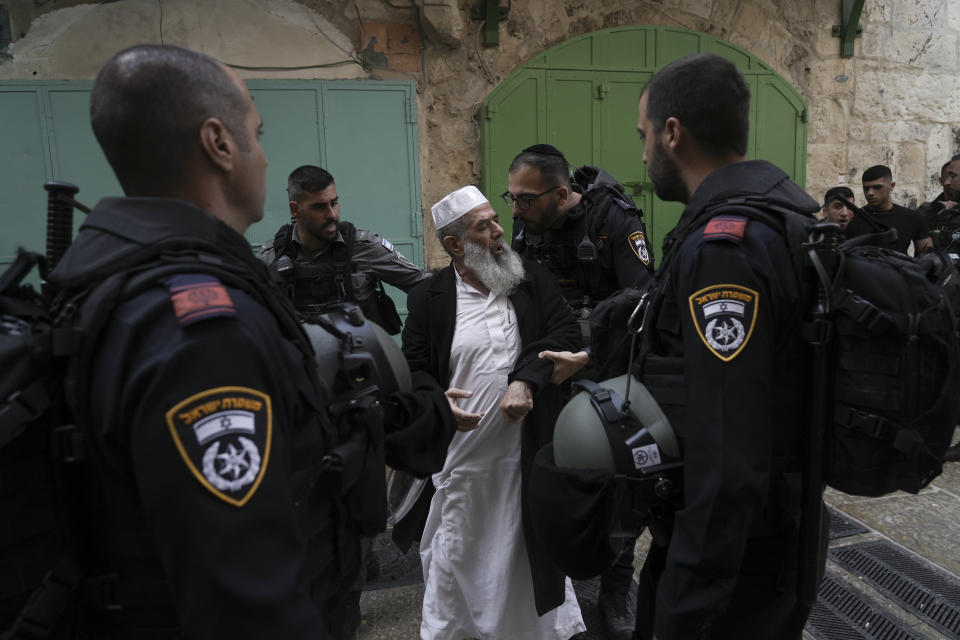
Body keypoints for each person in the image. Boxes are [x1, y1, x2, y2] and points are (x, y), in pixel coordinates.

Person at [46, 44, 455, 638]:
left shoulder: (107, 270)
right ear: (218, 143)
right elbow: (242, 586)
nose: (261, 155)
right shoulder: (202, 325)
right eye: (256, 134)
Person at [631, 53, 826, 639]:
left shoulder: (726, 248)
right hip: (770, 543)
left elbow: (729, 452)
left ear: (672, 133)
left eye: (644, 136)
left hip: (734, 567)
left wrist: (686, 606)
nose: (642, 154)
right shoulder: (782, 215)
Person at [399, 186, 586, 639]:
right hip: (465, 462)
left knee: (527, 553)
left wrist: (525, 379)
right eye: (483, 226)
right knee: (459, 551)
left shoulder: (528, 278)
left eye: (495, 220)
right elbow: (416, 369)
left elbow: (562, 329)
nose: (500, 231)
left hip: (524, 455)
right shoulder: (430, 299)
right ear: (454, 245)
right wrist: (437, 402)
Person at [506, 145, 653, 637]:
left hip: (605, 369)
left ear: (562, 193)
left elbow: (641, 304)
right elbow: (515, 286)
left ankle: (615, 590)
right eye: (511, 199)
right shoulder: (528, 223)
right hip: (550, 364)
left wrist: (589, 357)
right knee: (549, 470)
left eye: (524, 200)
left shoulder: (615, 220)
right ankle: (556, 579)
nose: (515, 211)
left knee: (618, 478)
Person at [259, 165, 429, 333]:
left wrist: (416, 345)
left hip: (362, 354)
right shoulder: (272, 257)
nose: (332, 214)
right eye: (319, 207)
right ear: (295, 209)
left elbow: (427, 288)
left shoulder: (365, 247)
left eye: (334, 203)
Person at [845, 164, 932, 254]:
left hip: (900, 267)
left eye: (877, 187)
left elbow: (928, 258)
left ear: (892, 186)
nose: (870, 193)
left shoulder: (912, 218)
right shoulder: (854, 218)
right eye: (866, 188)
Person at [918, 155, 960, 250]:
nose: (947, 182)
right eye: (947, 177)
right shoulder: (926, 210)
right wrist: (940, 218)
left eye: (953, 176)